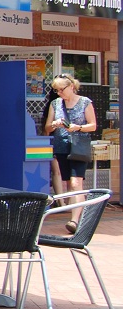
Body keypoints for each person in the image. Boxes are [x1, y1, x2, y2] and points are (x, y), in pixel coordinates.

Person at [45, 74, 97, 233]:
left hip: (79, 147)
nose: (59, 93)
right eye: (56, 90)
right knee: (69, 183)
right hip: (62, 147)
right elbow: (47, 128)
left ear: (72, 87)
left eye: (62, 89)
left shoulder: (85, 102)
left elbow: (93, 125)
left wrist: (78, 127)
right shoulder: (55, 104)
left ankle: (74, 220)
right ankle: (78, 214)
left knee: (76, 183)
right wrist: (54, 125)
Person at [42, 85, 66, 197]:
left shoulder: (50, 106)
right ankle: (66, 201)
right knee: (61, 172)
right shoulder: (55, 105)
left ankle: (61, 201)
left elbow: (45, 130)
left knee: (57, 172)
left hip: (51, 142)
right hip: (58, 142)